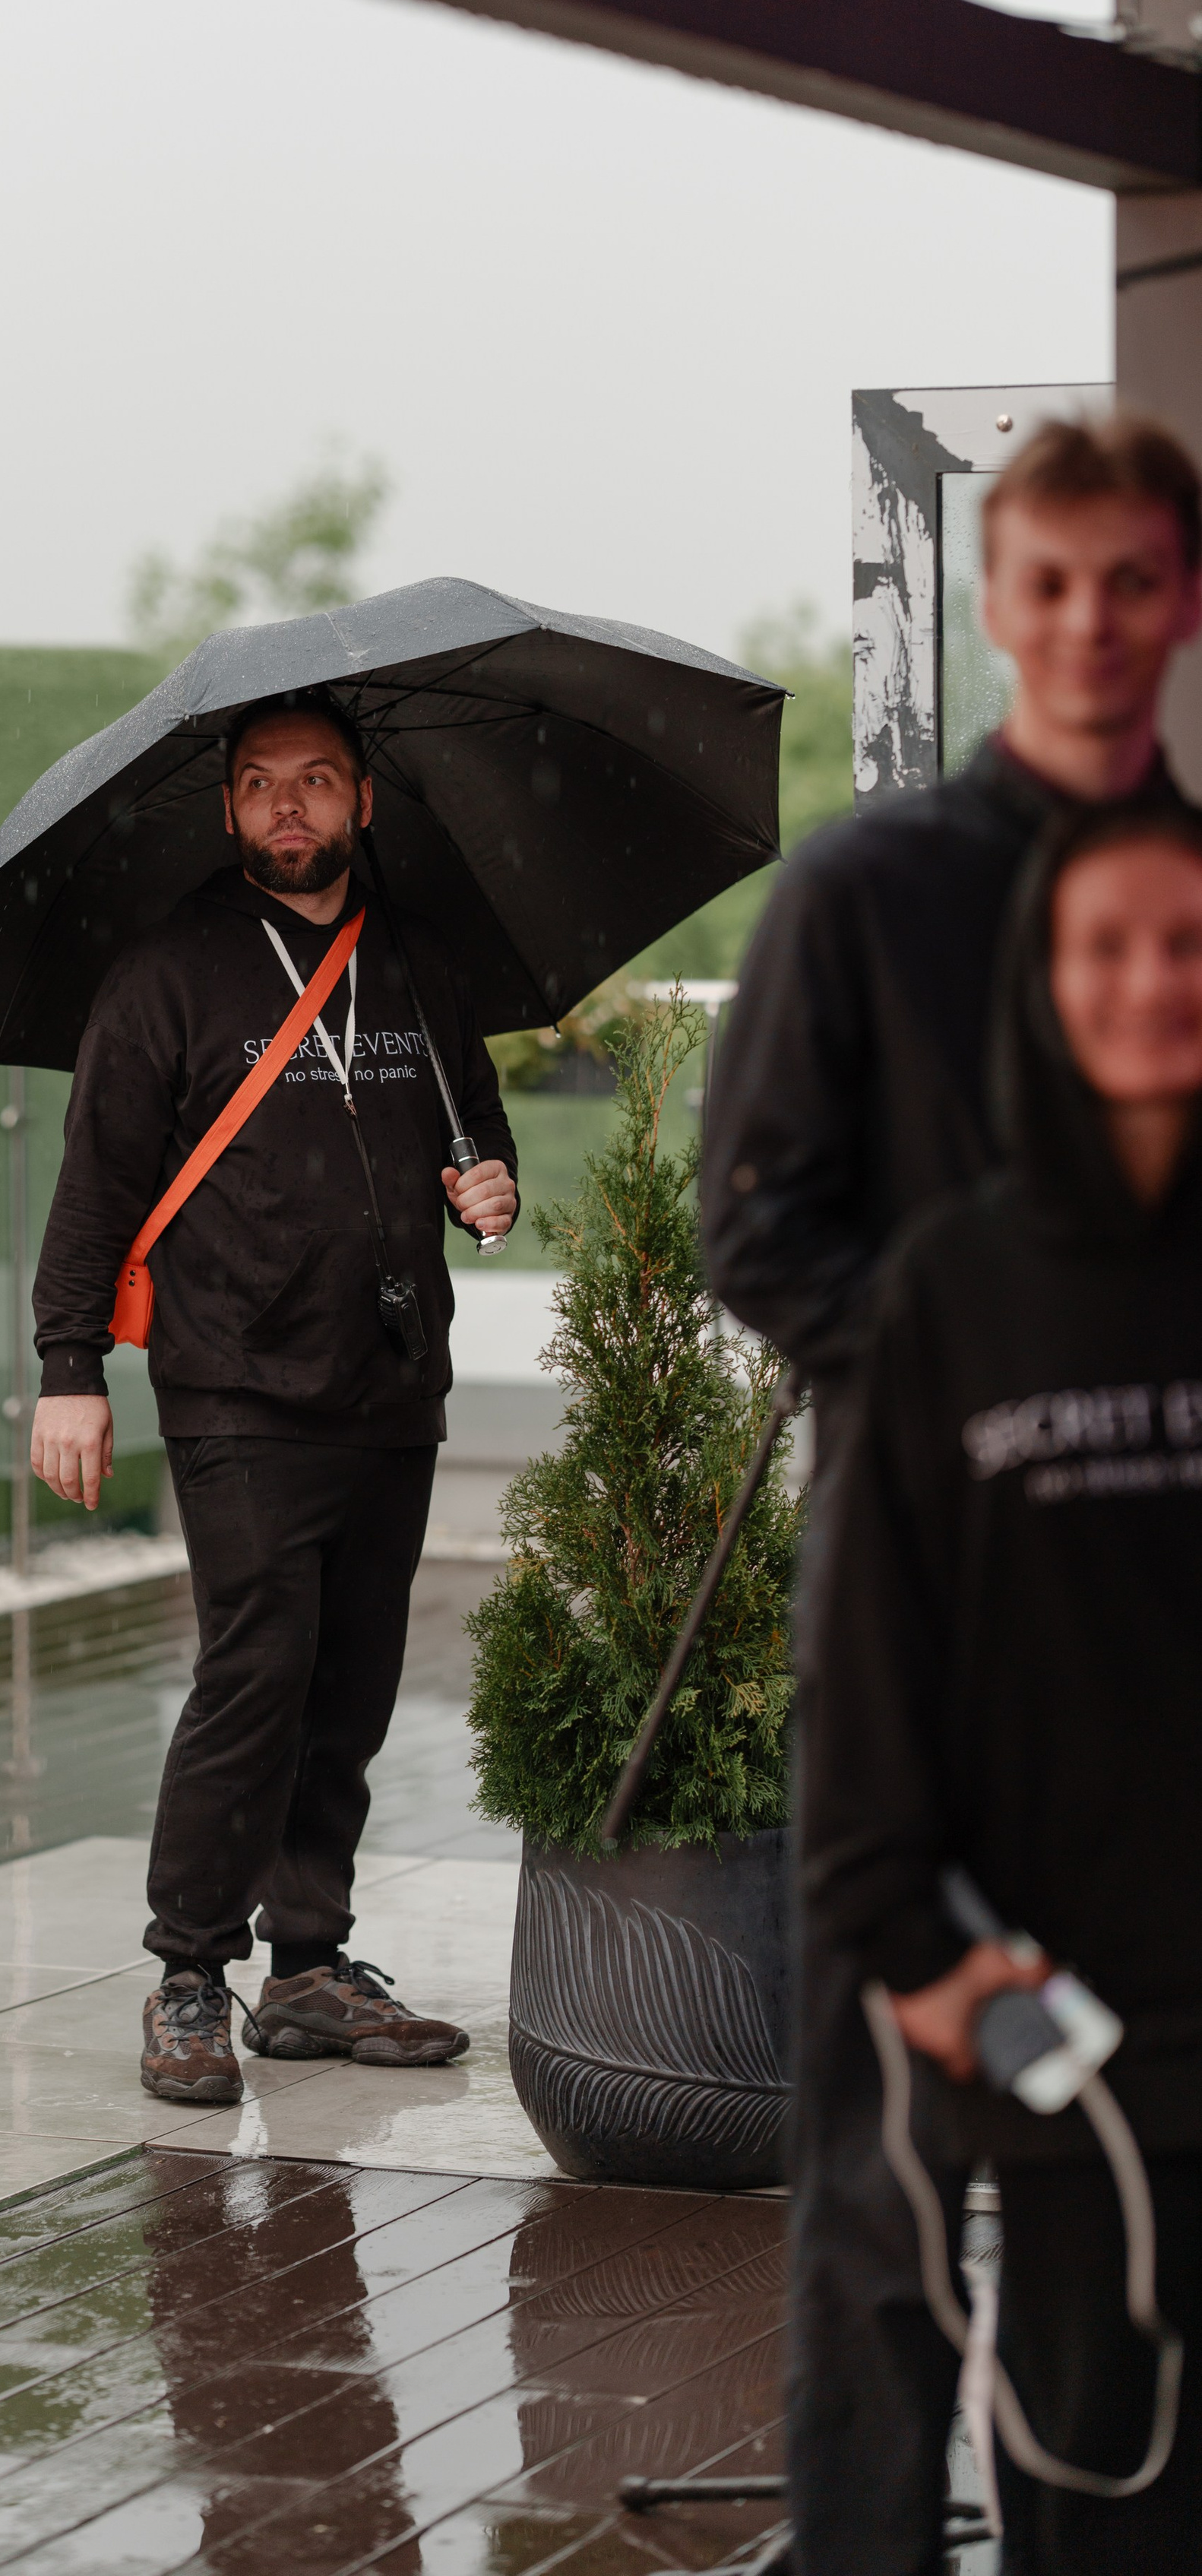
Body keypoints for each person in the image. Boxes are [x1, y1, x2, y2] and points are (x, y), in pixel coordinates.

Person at [701, 412, 1202, 2574]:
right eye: (1053, 585)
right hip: (921, 1663)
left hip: (1159, 1685)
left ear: (1180, 603)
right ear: (996, 605)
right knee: (887, 2238)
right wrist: (973, 1383)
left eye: (1136, 583)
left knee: (1145, 2217)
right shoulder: (866, 893)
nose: (1092, 627)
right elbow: (755, 1221)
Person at [805, 806, 1202, 2572]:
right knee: (1097, 2516)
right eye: (1103, 945)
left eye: (1186, 945)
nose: (1148, 983)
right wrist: (908, 1946)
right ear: (1041, 989)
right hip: (1075, 2061)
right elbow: (875, 1660)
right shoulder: (951, 1291)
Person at [27, 688, 517, 2104]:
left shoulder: (418, 959)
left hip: (389, 1376)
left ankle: (309, 1964)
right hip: (236, 1380)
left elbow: (471, 1131)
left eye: (315, 781)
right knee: (258, 1671)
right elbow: (98, 1186)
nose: (287, 806)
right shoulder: (170, 972)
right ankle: (190, 1972)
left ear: (364, 802)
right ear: (230, 810)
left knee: (355, 1681)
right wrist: (72, 1368)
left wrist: (490, 1188)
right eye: (259, 785)